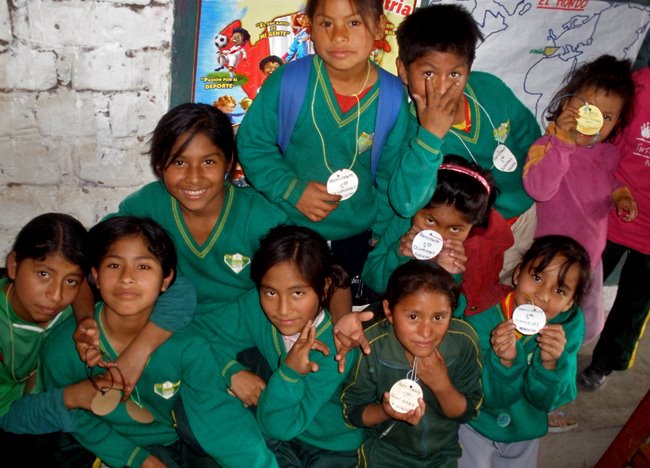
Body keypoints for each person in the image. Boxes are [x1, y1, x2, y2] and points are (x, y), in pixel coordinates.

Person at [42, 216, 277, 468]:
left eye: (143, 267)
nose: (127, 278)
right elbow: (72, 415)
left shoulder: (187, 345)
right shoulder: (62, 348)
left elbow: (217, 416)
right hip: (109, 446)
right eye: (113, 266)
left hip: (181, 439)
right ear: (95, 276)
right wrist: (134, 458)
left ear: (166, 280)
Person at [236, 0, 411, 300]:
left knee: (344, 317)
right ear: (310, 27)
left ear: (380, 26)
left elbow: (390, 175)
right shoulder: (289, 82)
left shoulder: (393, 98)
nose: (338, 36)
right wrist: (293, 189)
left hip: (358, 234)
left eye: (354, 23)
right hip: (288, 226)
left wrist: (379, 233)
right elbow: (253, 144)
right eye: (326, 23)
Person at [390, 4, 541, 283]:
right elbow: (406, 203)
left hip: (521, 219)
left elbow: (528, 135)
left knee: (511, 289)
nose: (442, 87)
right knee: (474, 299)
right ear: (403, 70)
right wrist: (430, 136)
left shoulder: (490, 89)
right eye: (428, 74)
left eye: (454, 74)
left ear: (469, 70)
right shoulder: (405, 129)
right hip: (461, 240)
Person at [195, 224, 364, 466]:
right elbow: (197, 332)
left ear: (325, 287)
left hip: (330, 446)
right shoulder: (255, 308)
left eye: (297, 294)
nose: (283, 310)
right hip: (274, 426)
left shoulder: (338, 347)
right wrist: (231, 371)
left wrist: (290, 374)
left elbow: (281, 427)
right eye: (271, 293)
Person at [523, 55, 636, 345]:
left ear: (616, 124)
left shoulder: (608, 155)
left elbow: (608, 183)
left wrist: (621, 196)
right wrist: (562, 143)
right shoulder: (546, 146)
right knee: (535, 315)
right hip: (548, 261)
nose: (592, 121)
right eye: (586, 108)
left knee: (586, 326)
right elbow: (539, 189)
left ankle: (560, 361)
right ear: (567, 102)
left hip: (590, 259)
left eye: (606, 117)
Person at [458, 235, 591, 467]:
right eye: (537, 277)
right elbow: (481, 396)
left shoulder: (567, 327)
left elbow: (550, 401)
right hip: (474, 424)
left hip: (525, 430)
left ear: (570, 302)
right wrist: (503, 363)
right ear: (518, 274)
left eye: (560, 291)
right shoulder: (483, 314)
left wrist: (550, 366)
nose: (543, 295)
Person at [341, 260, 483, 467]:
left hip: (442, 454)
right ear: (389, 311)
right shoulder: (370, 346)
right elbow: (353, 412)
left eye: (439, 317)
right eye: (413, 316)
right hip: (384, 454)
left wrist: (441, 384)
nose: (426, 332)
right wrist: (386, 411)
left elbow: (468, 412)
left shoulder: (463, 341)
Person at [0, 212, 97, 465]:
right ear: (13, 266)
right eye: (43, 274)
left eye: (70, 281)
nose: (56, 295)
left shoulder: (70, 314)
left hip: (43, 420)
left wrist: (85, 319)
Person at [363, 154, 511, 317]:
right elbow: (372, 281)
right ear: (416, 206)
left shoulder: (470, 248)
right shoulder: (403, 224)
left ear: (472, 226)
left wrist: (449, 276)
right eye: (429, 220)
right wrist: (398, 255)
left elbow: (458, 311)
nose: (438, 235)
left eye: (455, 229)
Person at [578, 63, 650, 391]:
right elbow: (605, 146)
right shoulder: (638, 87)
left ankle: (605, 362)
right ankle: (553, 345)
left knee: (635, 303)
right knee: (577, 287)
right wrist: (616, 190)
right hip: (609, 211)